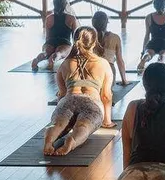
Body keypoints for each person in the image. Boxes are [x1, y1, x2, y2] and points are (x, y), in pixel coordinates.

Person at [44, 27, 115, 156]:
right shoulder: (103, 64)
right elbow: (106, 96)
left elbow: (62, 94)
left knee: (58, 124)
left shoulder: (65, 64)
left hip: (69, 100)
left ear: (74, 40)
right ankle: (73, 140)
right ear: (94, 42)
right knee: (83, 127)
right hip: (91, 104)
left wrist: (61, 109)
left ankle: (49, 141)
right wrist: (107, 121)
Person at [31, 0, 78, 70]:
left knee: (45, 53)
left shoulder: (49, 18)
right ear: (65, 5)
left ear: (54, 4)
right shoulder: (71, 18)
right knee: (60, 53)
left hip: (50, 41)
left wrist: (47, 46)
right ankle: (53, 59)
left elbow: (47, 37)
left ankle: (37, 59)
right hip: (64, 43)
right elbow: (75, 37)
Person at [137, 0, 165, 71]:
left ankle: (143, 60)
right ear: (164, 5)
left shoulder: (149, 17)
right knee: (163, 55)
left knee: (148, 54)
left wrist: (143, 52)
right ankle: (160, 62)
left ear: (154, 5)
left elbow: (147, 36)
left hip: (153, 43)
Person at [92, 11, 129, 85]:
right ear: (107, 23)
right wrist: (124, 80)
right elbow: (119, 61)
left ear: (93, 22)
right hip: (109, 77)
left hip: (92, 76)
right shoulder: (115, 38)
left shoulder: (87, 36)